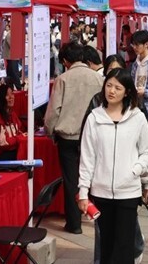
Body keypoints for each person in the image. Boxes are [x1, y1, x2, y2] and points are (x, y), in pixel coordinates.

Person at [78, 68, 148, 263]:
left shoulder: (137, 117)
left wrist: (135, 171)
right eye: (109, 85)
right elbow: (87, 158)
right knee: (106, 247)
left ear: (127, 92)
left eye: (118, 88)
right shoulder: (94, 118)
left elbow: (147, 152)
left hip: (128, 193)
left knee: (125, 247)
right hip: (101, 192)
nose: (111, 91)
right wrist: (83, 192)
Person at [44, 42, 104, 234]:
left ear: (65, 61)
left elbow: (54, 111)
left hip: (68, 137)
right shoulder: (98, 78)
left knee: (71, 181)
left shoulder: (63, 79)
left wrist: (49, 130)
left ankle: (74, 223)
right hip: (93, 135)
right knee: (94, 177)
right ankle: (97, 216)